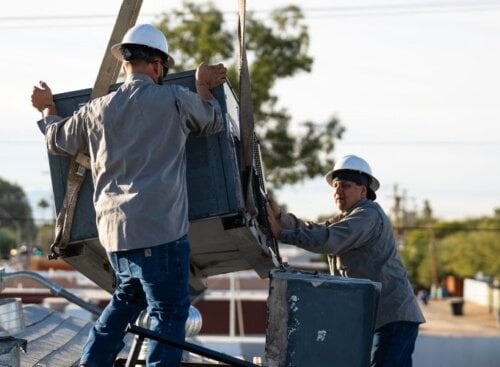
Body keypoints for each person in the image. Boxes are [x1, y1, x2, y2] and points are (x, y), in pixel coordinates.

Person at [31, 23, 227, 367]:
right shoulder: (175, 99)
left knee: (125, 300)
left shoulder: (96, 110)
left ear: (125, 63)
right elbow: (213, 119)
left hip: (115, 236)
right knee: (168, 314)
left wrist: (48, 108)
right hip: (160, 232)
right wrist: (202, 83)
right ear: (156, 65)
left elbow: (56, 140)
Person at [266, 154, 425, 367]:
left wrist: (281, 234)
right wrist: (280, 218)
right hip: (378, 317)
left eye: (346, 186)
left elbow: (328, 240)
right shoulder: (348, 217)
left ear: (363, 190)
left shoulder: (367, 216)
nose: (338, 191)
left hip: (393, 318)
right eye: (336, 186)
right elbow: (318, 230)